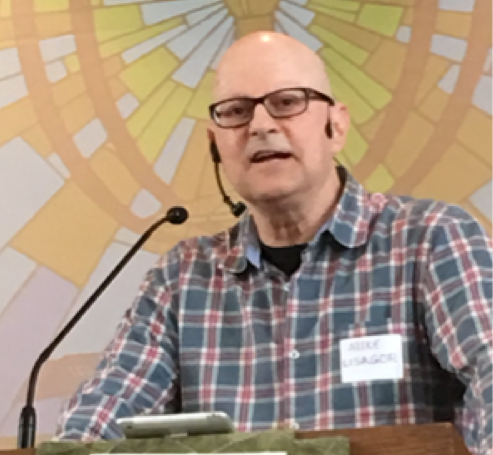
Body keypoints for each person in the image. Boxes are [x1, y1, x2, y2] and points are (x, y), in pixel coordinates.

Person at [55, 31, 493, 455]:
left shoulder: (431, 239)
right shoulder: (182, 278)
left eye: (286, 102)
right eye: (236, 111)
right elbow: (105, 412)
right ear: (215, 145)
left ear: (336, 126)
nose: (260, 126)